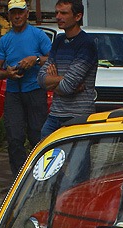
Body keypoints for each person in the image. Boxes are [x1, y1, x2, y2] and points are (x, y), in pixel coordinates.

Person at [0, 0, 52, 176]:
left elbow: (54, 58)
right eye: (13, 13)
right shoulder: (5, 40)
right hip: (14, 93)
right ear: (9, 16)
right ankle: (19, 177)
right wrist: (6, 73)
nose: (17, 16)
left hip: (35, 90)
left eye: (20, 12)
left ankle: (43, 174)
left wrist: (35, 60)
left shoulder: (38, 35)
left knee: (37, 135)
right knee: (15, 137)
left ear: (27, 13)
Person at [39, 0, 97, 137]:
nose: (58, 17)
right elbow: (40, 79)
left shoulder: (86, 44)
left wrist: (54, 83)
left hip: (78, 117)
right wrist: (61, 80)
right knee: (47, 154)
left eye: (64, 13)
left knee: (77, 158)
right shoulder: (59, 40)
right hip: (55, 115)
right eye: (57, 13)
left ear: (77, 17)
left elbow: (67, 87)